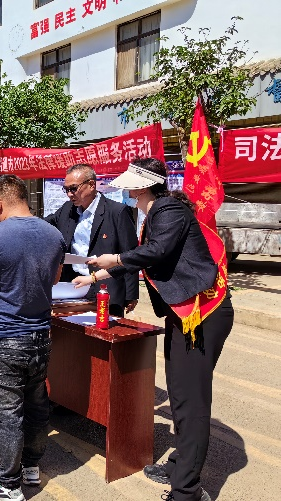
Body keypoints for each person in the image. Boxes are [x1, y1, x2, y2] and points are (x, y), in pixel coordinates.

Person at [73, 158, 234, 501]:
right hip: (184, 313)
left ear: (143, 186)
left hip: (202, 314)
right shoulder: (157, 212)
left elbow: (155, 252)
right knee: (179, 393)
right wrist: (96, 275)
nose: (128, 192)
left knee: (191, 401)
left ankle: (187, 491)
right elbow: (145, 254)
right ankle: (179, 465)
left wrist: (114, 260)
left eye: (131, 186)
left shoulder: (168, 209)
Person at [0, 175, 66, 501]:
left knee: (7, 414)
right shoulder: (54, 234)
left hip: (5, 338)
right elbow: (54, 278)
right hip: (40, 336)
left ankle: (7, 484)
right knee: (36, 406)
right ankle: (30, 467)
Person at [45, 163, 139, 317]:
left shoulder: (117, 212)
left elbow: (130, 253)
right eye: (66, 189)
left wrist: (131, 294)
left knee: (107, 327)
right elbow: (45, 225)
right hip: (73, 285)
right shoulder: (67, 210)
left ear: (91, 185)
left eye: (73, 188)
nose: (69, 194)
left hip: (105, 286)